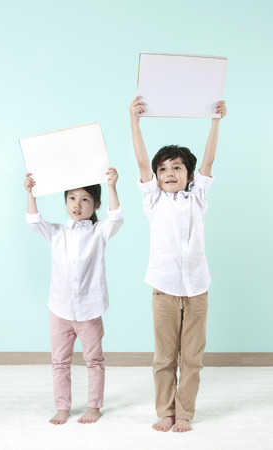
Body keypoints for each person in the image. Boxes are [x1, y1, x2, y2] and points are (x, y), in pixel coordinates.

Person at [129, 96, 227, 433]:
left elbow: (209, 161)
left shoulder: (198, 197)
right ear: (156, 177)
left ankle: (184, 412)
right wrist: (135, 123)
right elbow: (141, 162)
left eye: (177, 168)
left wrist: (215, 122)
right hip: (164, 288)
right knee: (164, 357)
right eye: (163, 169)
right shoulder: (153, 200)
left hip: (198, 288)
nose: (169, 173)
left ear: (188, 175)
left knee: (192, 358)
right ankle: (165, 411)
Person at [24, 168, 123, 425]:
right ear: (66, 200)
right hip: (59, 308)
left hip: (89, 309)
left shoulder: (99, 232)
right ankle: (62, 407)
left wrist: (112, 186)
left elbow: (116, 219)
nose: (77, 205)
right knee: (59, 361)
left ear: (96, 204)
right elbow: (34, 221)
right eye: (72, 198)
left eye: (85, 199)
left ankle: (94, 406)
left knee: (94, 360)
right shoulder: (58, 233)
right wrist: (31, 192)